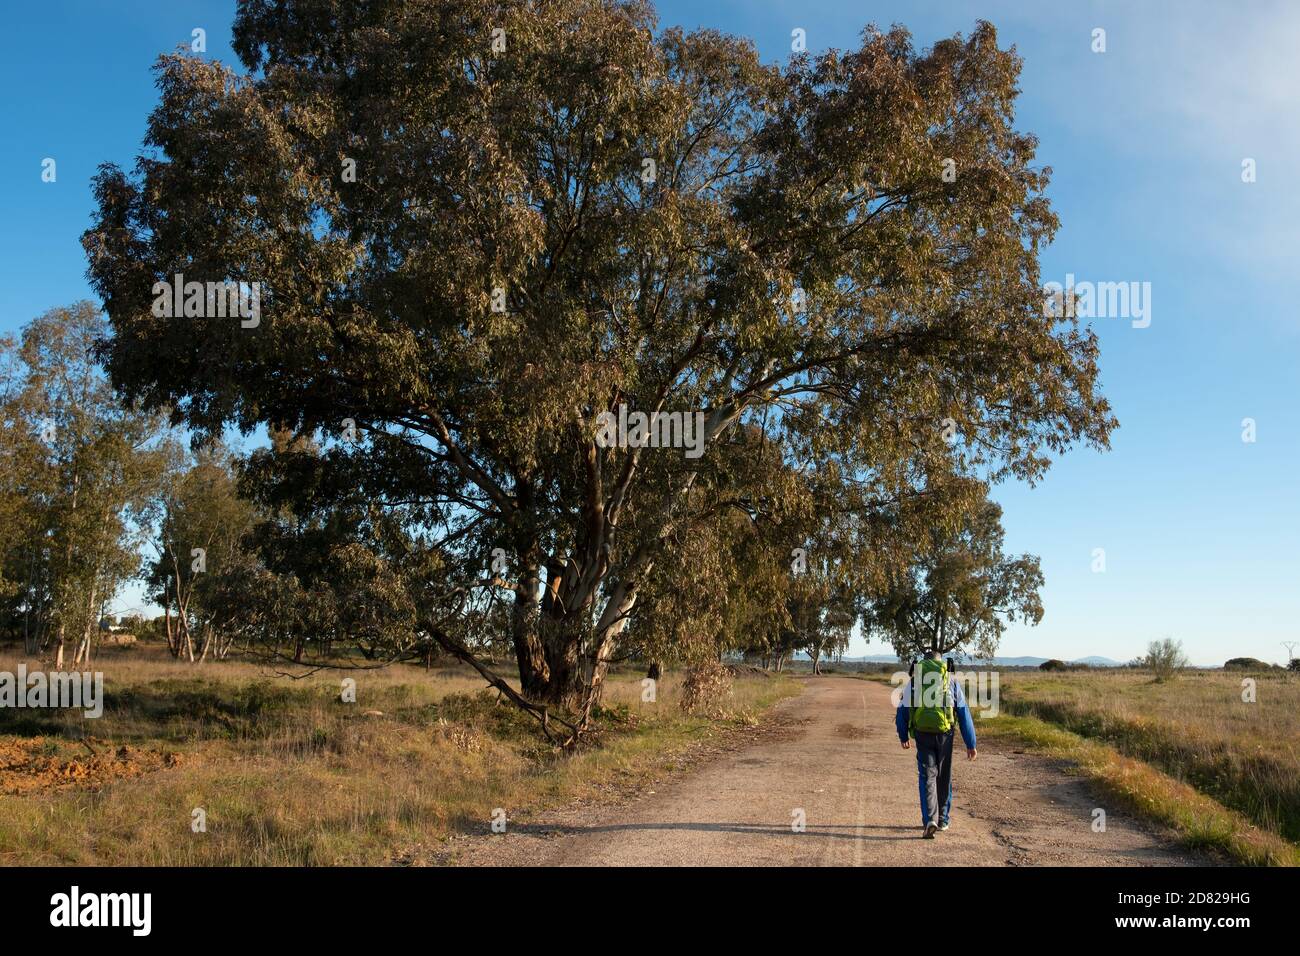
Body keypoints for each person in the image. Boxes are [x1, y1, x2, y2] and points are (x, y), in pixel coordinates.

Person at [895, 650, 977, 838]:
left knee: (927, 776)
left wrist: (903, 735)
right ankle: (943, 820)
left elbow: (903, 711)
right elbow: (963, 714)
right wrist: (970, 743)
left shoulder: (915, 682)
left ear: (923, 664)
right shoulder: (951, 681)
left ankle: (929, 820)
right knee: (944, 776)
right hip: (945, 735)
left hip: (923, 734)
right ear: (942, 664)